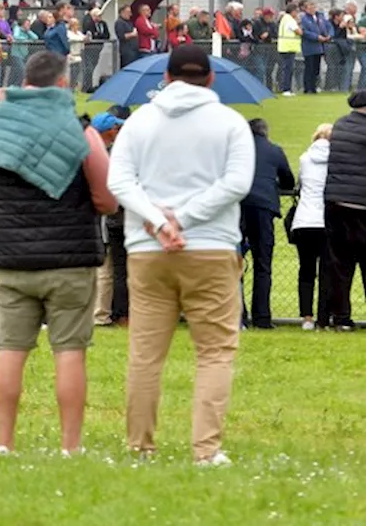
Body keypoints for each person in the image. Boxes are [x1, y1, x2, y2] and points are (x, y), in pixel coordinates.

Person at [107, 44, 255, 466]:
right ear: (210, 79)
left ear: (166, 79)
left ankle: (140, 446)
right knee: (214, 351)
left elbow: (120, 181)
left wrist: (158, 219)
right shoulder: (230, 122)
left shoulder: (138, 123)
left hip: (148, 249)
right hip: (210, 245)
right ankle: (206, 450)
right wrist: (184, 220)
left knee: (145, 353)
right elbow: (236, 183)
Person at [0, 51, 117, 456]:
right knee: (69, 353)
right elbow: (106, 199)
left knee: (10, 352)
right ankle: (70, 447)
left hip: (11, 261)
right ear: (63, 83)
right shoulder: (78, 129)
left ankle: (4, 444)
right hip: (71, 261)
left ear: (22, 81)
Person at [239, 118, 294, 329]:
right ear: (265, 133)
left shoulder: (237, 150)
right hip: (263, 207)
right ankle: (262, 317)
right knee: (263, 264)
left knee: (234, 263)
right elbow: (288, 179)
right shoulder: (274, 150)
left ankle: (239, 317)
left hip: (238, 205)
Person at [322, 90, 366, 331]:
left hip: (337, 203)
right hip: (362, 202)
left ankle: (341, 318)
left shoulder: (340, 125)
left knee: (340, 265)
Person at [289, 123, 332, 331]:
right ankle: (324, 317)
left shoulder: (304, 159)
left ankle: (307, 317)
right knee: (326, 271)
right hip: (325, 221)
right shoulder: (335, 161)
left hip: (303, 220)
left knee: (305, 271)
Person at [91, 111, 130, 327]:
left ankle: (101, 313)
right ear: (110, 131)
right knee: (113, 270)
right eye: (116, 128)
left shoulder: (91, 152)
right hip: (111, 221)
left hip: (100, 220)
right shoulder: (111, 155)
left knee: (105, 270)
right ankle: (109, 314)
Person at [299, 0, 330, 95]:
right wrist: (316, 37)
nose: (312, 9)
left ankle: (314, 87)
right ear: (306, 9)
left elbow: (326, 27)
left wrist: (327, 35)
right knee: (309, 68)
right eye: (310, 8)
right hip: (309, 47)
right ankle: (307, 88)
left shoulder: (319, 17)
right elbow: (304, 32)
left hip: (319, 47)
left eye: (313, 7)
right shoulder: (304, 19)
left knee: (316, 68)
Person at [276, 1, 302, 97]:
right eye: (297, 11)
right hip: (289, 47)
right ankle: (286, 89)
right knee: (288, 69)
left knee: (286, 68)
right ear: (293, 11)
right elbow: (299, 31)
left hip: (284, 47)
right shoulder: (290, 20)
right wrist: (298, 23)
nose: (297, 14)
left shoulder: (284, 19)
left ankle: (286, 88)